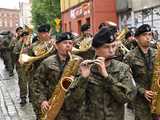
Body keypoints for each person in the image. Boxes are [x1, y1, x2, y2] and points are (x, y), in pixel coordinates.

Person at [68, 27, 136, 120]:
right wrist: (82, 79)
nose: (111, 50)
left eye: (113, 46)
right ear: (95, 49)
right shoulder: (85, 68)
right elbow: (71, 102)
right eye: (106, 47)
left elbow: (127, 98)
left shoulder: (123, 68)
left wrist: (107, 77)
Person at [32, 32, 78, 120]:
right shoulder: (47, 62)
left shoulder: (77, 61)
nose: (68, 45)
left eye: (70, 43)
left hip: (71, 108)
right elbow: (37, 83)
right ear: (56, 46)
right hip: (52, 104)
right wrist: (42, 101)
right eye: (64, 43)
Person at [124, 24, 156, 120]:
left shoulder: (157, 53)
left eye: (150, 34)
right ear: (137, 38)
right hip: (140, 99)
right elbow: (128, 79)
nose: (148, 37)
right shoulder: (129, 56)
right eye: (145, 35)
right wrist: (143, 91)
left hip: (156, 96)